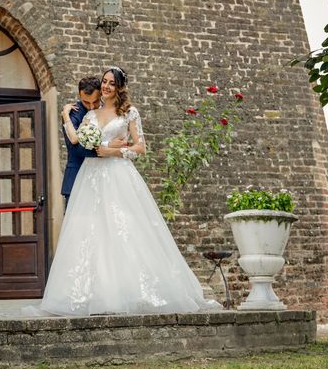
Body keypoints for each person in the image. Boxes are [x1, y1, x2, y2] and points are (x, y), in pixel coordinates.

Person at [39, 66, 222, 316]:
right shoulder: (91, 114)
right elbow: (76, 142)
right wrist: (65, 117)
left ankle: (129, 291)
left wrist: (113, 151)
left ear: (120, 87)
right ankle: (92, 294)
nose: (106, 86)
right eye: (104, 81)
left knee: (122, 229)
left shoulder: (129, 112)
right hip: (90, 178)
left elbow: (140, 148)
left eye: (111, 83)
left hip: (116, 174)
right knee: (91, 233)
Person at [61, 77, 126, 208]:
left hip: (104, 179)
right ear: (79, 95)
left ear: (101, 94)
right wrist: (108, 147)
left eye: (95, 101)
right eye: (86, 102)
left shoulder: (108, 111)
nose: (91, 107)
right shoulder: (72, 114)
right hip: (77, 176)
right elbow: (76, 148)